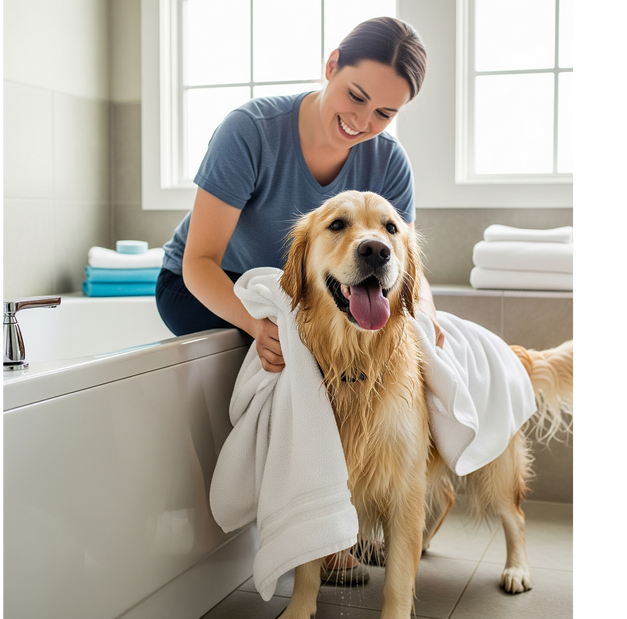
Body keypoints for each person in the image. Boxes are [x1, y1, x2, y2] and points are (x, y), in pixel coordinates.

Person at [155, 16, 442, 584]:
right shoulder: (251, 131)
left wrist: (426, 319)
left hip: (310, 296)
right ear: (331, 65)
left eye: (384, 113)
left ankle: (334, 519)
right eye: (356, 95)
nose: (362, 122)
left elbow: (404, 259)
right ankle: (315, 531)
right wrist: (259, 325)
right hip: (215, 285)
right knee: (305, 367)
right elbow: (198, 262)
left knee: (366, 367)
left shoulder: (389, 163)